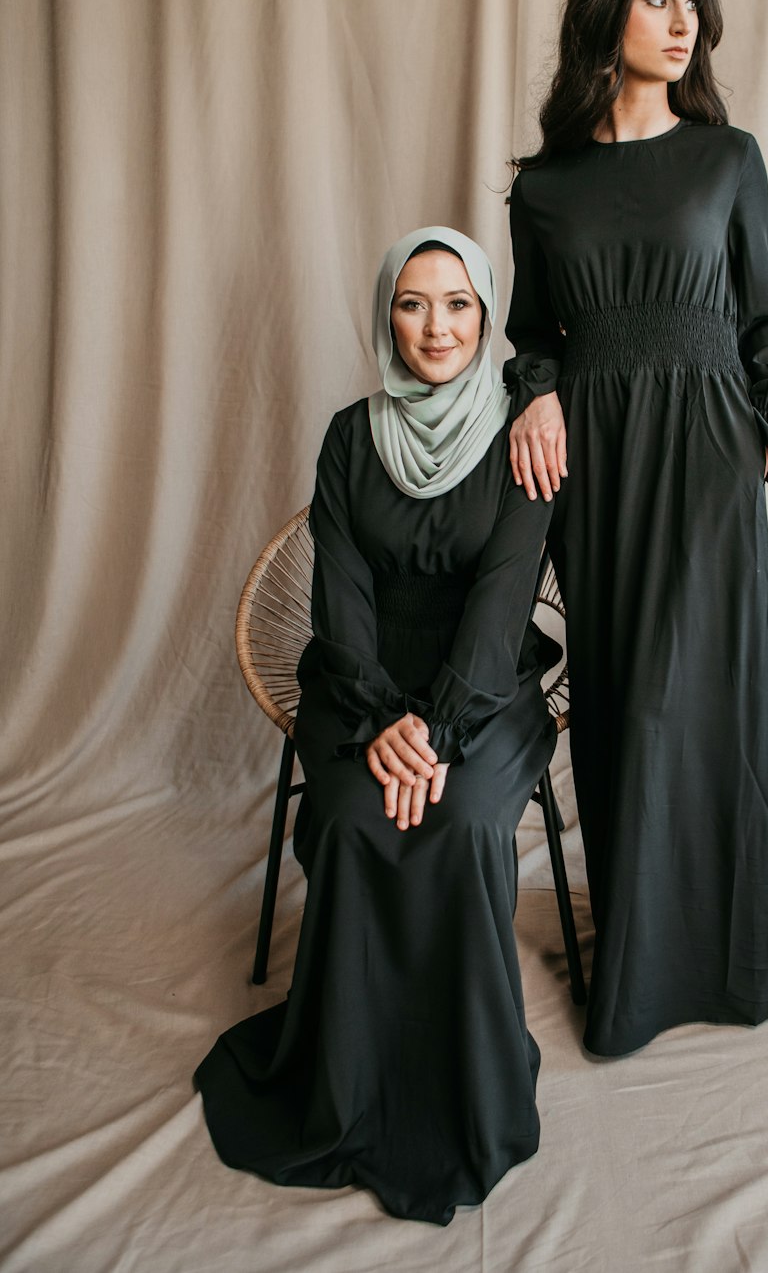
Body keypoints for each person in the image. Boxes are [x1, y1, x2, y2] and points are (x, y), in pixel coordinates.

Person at [195, 228, 559, 1225]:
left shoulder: (524, 434)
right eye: (411, 302)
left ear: (485, 318)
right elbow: (341, 602)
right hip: (359, 696)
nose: (434, 326)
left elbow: (498, 609)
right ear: (384, 318)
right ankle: (346, 1083)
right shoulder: (351, 438)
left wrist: (435, 730)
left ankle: (462, 1087)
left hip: (481, 697)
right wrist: (377, 723)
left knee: (464, 824)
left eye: (456, 304)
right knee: (358, 820)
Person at [504, 0, 768, 1058]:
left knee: (707, 701)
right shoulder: (544, 188)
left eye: (692, 2)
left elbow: (762, 314)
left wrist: (766, 433)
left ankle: (728, 964)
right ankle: (632, 971)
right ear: (604, 18)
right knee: (626, 703)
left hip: (708, 452)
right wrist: (535, 393)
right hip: (601, 461)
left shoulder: (728, 161)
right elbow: (531, 334)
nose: (683, 22)